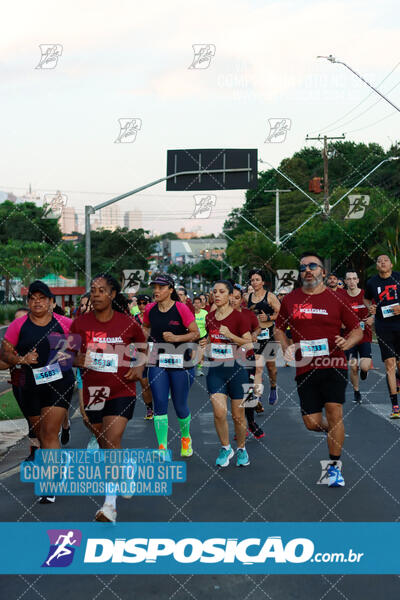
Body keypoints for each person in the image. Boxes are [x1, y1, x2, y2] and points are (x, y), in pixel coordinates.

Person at [275, 252, 362, 487]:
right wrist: (286, 348)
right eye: (303, 267)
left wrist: (348, 342)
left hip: (333, 363)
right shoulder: (290, 300)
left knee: (334, 410)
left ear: (323, 271)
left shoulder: (337, 299)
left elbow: (357, 329)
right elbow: (279, 328)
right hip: (305, 367)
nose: (308, 270)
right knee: (312, 423)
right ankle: (335, 431)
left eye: (313, 266)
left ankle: (334, 467)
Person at [70, 273, 146, 522]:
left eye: (102, 290)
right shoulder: (80, 323)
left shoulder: (127, 323)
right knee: (104, 443)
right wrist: (75, 359)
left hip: (122, 389)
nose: (96, 294)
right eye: (93, 289)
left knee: (112, 439)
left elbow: (144, 346)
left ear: (113, 294)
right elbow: (65, 353)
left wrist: (139, 366)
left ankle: (109, 505)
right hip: (95, 391)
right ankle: (126, 468)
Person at [1, 281, 75, 504]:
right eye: (33, 298)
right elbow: (5, 355)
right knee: (41, 433)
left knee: (50, 432)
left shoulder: (66, 323)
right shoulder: (18, 326)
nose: (37, 302)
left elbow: (81, 349)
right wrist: (21, 359)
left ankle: (49, 485)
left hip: (59, 381)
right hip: (29, 383)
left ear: (52, 302)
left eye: (42, 298)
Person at [142, 273, 199, 456]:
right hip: (157, 360)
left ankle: (185, 438)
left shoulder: (181, 308)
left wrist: (176, 338)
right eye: (155, 287)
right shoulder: (150, 309)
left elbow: (195, 333)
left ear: (170, 290)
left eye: (161, 287)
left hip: (181, 361)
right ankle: (162, 447)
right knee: (159, 402)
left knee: (180, 404)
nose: (156, 291)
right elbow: (145, 328)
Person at [205, 280, 252, 467]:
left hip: (237, 369)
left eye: (221, 291)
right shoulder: (210, 317)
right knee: (218, 413)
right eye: (214, 292)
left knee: (238, 416)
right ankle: (226, 448)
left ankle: (241, 448)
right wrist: (204, 348)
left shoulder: (239, 318)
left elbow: (248, 345)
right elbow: (210, 338)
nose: (217, 295)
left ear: (230, 295)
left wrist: (230, 336)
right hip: (216, 370)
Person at [364, 255, 400, 418]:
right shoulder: (372, 282)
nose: (382, 263)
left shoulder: (398, 277)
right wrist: (370, 308)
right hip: (383, 327)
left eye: (385, 260)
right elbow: (366, 299)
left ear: (391, 264)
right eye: (379, 261)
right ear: (377, 266)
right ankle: (395, 406)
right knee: (389, 364)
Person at [230, 284, 264, 439]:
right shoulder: (218, 314)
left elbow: (258, 328)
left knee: (247, 391)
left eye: (237, 297)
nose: (233, 300)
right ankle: (240, 424)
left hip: (246, 356)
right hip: (227, 359)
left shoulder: (248, 314)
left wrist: (255, 334)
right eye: (230, 297)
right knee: (234, 395)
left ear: (241, 299)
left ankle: (250, 422)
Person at [248, 269, 281, 408]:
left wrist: (269, 317)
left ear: (262, 282)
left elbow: (281, 313)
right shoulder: (247, 297)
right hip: (254, 337)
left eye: (257, 279)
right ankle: (257, 398)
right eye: (252, 280)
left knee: (271, 368)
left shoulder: (270, 297)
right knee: (258, 368)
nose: (254, 282)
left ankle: (273, 387)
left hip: (268, 335)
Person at [344, 271, 373, 403]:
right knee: (353, 366)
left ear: (358, 280)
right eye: (348, 279)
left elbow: (375, 310)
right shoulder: (341, 296)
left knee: (365, 366)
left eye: (354, 279)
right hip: (349, 337)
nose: (351, 281)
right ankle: (356, 391)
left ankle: (364, 372)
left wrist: (372, 318)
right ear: (345, 282)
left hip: (365, 335)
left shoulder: (365, 295)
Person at [134, 294, 154, 419]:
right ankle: (149, 408)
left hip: (155, 352)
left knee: (155, 382)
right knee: (144, 382)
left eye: (144, 303)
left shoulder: (155, 317)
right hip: (140, 353)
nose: (142, 306)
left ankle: (159, 406)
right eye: (139, 303)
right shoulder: (135, 318)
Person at [193, 296, 208, 376]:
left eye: (198, 303)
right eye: (195, 303)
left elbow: (208, 324)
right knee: (193, 355)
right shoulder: (191, 313)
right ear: (193, 304)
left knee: (201, 354)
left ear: (201, 304)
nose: (196, 304)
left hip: (203, 335)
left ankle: (199, 370)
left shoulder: (205, 313)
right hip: (193, 336)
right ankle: (190, 369)